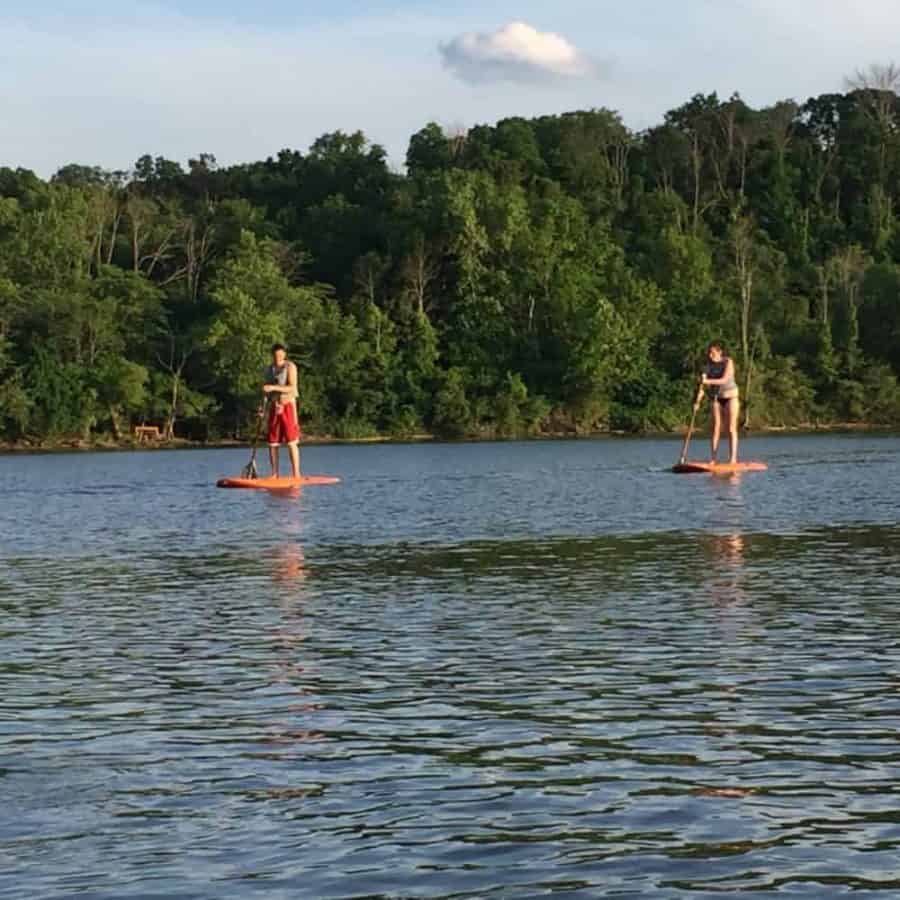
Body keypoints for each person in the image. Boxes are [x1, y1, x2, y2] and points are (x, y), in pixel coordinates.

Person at [262, 343, 301, 478]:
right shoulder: (269, 369)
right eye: (275, 355)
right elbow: (266, 391)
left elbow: (292, 387)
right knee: (273, 442)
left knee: (291, 441)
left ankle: (296, 474)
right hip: (274, 407)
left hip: (288, 406)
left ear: (284, 354)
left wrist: (273, 388)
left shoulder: (290, 367)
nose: (277, 357)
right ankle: (274, 474)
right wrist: (262, 407)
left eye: (280, 355)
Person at [701, 341, 740, 464]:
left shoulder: (728, 362)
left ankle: (732, 459)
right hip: (716, 398)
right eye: (709, 353)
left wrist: (707, 381)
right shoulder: (707, 365)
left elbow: (724, 380)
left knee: (730, 428)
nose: (710, 355)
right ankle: (713, 459)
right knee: (715, 428)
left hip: (731, 397)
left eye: (712, 353)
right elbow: (701, 384)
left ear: (719, 352)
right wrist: (697, 400)